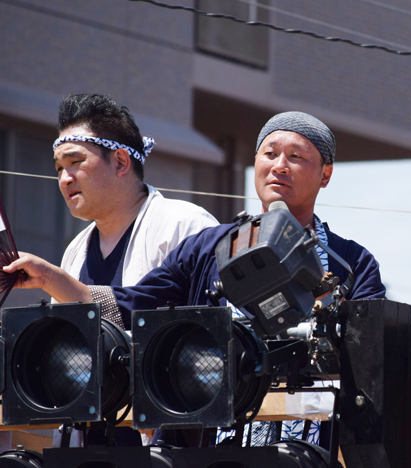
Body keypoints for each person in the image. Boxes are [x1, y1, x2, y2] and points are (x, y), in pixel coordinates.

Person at [5, 110, 386, 445]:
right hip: (211, 440)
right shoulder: (208, 245)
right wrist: (49, 278)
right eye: (269, 154)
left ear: (326, 175)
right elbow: (135, 304)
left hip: (310, 438)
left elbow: (371, 360)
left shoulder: (352, 262)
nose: (279, 166)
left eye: (296, 157)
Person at [50, 93, 219, 446]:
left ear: (121, 161)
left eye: (75, 162)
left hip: (170, 449)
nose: (65, 178)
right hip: (88, 447)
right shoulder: (74, 252)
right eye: (58, 168)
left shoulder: (185, 227)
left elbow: (208, 350)